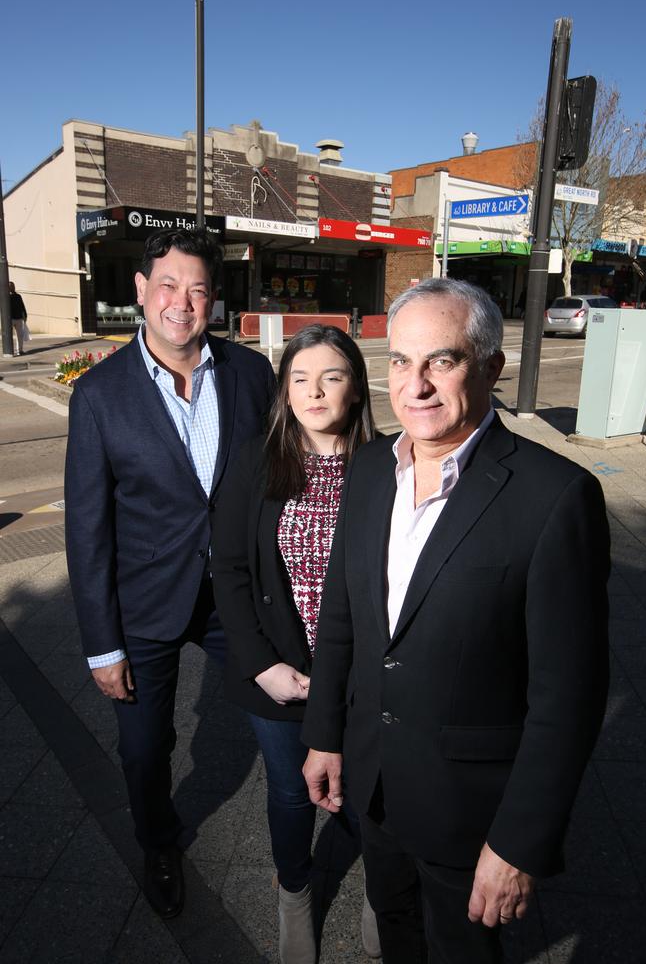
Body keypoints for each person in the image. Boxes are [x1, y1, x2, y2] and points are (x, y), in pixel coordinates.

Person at [302, 277, 610, 964]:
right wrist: (325, 734)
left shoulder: (556, 499)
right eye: (401, 363)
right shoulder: (370, 473)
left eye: (442, 361)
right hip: (375, 786)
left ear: (491, 368)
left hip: (472, 814)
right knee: (397, 934)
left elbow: (569, 697)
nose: (416, 386)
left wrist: (519, 843)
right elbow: (343, 619)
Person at [65, 227, 276, 920]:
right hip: (145, 607)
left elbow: (283, 482)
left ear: (214, 300)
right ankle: (159, 842)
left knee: (289, 716)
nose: (181, 303)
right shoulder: (98, 395)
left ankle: (308, 822)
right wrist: (103, 645)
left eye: (197, 289)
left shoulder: (250, 375)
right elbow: (87, 531)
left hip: (236, 603)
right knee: (144, 748)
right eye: (167, 285)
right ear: (139, 290)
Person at [211, 325, 378, 964]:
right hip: (280, 674)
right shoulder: (256, 459)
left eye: (331, 376)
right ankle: (294, 894)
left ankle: (381, 890)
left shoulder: (388, 465)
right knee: (289, 794)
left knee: (364, 790)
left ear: (357, 387)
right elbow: (228, 569)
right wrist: (262, 667)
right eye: (300, 378)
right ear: (284, 389)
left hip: (361, 675)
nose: (314, 391)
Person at [9, 282, 28, 355]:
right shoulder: (6, 297)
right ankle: (10, 351)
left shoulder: (18, 296)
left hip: (19, 318)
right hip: (10, 319)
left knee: (20, 335)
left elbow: (22, 306)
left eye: (13, 286)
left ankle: (20, 350)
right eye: (11, 286)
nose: (13, 287)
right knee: (9, 336)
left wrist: (25, 316)